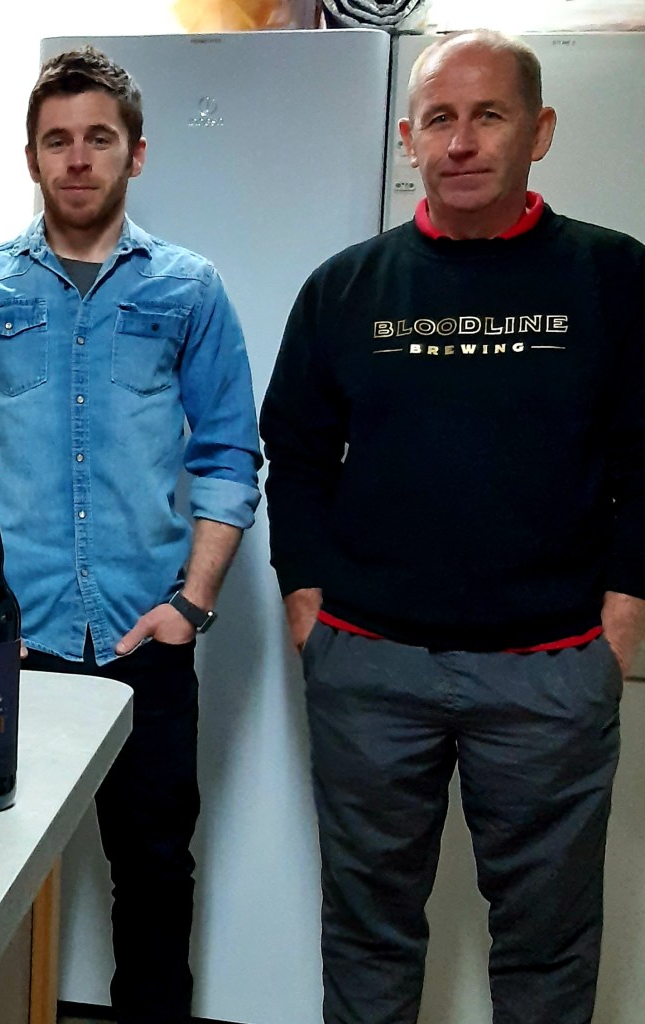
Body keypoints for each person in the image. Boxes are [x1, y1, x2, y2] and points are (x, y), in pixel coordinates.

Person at [260, 28, 645, 1024]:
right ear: (409, 140)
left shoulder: (615, 278)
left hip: (552, 667)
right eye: (439, 119)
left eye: (488, 115)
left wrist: (624, 609)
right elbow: (294, 454)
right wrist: (305, 599)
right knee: (368, 929)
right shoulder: (346, 287)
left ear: (539, 130)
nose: (462, 141)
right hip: (369, 665)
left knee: (547, 943)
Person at [0, 46, 261, 1024]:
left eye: (99, 138)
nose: (77, 158)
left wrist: (192, 605)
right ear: (31, 157)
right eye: (56, 140)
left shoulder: (188, 289)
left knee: (156, 873)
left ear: (135, 154)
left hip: (146, 641)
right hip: (6, 649)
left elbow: (230, 456)